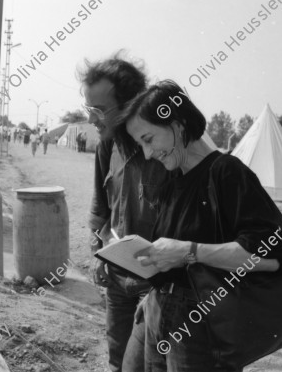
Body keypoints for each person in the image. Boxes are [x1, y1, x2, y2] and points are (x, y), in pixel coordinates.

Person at [117, 80, 282, 372]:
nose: (148, 154)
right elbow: (169, 255)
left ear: (177, 125)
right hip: (157, 310)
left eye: (149, 139)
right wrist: (152, 296)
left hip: (201, 324)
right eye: (141, 145)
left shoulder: (227, 173)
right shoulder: (171, 181)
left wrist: (191, 251)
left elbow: (273, 258)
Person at [79, 53, 173, 372]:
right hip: (117, 278)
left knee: (152, 364)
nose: (92, 119)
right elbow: (100, 211)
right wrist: (98, 254)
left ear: (131, 103)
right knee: (118, 359)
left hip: (159, 285)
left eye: (99, 110)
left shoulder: (163, 148)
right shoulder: (107, 146)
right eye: (88, 109)